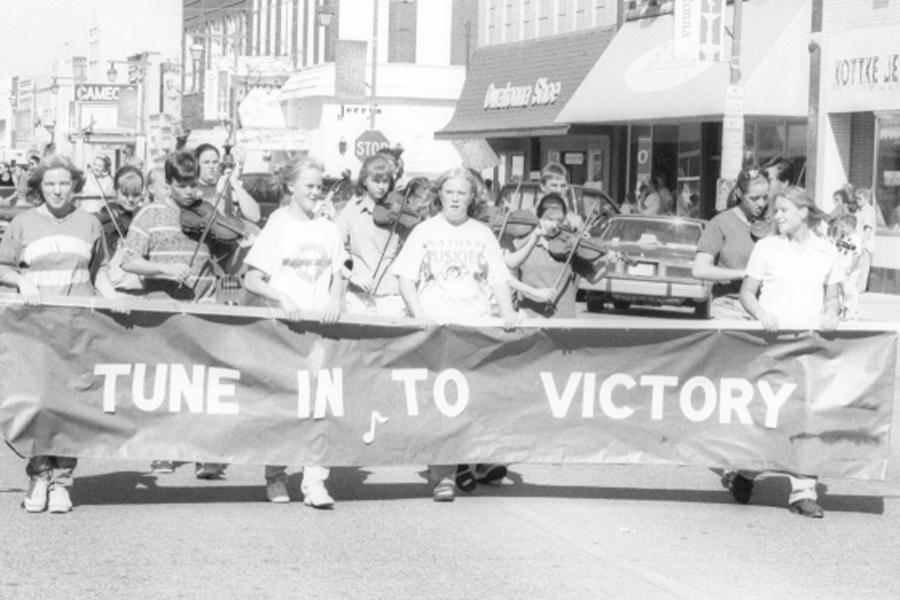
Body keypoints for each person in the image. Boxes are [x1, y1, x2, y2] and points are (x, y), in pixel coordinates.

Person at [0, 154, 126, 514]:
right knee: (39, 404)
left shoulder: (89, 223)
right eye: (50, 184)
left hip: (77, 327)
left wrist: (113, 295)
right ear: (39, 187)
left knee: (71, 406)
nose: (57, 191)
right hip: (34, 329)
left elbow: (98, 269)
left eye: (64, 184)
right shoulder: (22, 223)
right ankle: (39, 475)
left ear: (75, 186)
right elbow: (2, 265)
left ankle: (62, 482)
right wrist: (21, 279)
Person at [392, 166, 518, 502]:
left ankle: (466, 461)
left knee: (472, 401)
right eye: (449, 192)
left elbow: (498, 279)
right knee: (442, 404)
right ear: (440, 195)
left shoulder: (482, 234)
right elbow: (406, 279)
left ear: (472, 197)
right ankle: (443, 476)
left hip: (475, 327)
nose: (455, 198)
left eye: (462, 192)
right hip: (437, 329)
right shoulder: (424, 231)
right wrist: (419, 312)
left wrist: (507, 310)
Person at [242, 156, 344, 509]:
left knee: (319, 404)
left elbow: (338, 276)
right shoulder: (278, 225)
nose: (317, 193)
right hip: (283, 329)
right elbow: (251, 278)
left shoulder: (329, 229)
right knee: (283, 403)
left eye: (320, 186)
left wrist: (334, 297)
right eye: (310, 186)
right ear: (291, 188)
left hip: (319, 330)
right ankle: (275, 475)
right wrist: (281, 295)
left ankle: (315, 480)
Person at [738, 186, 841, 519]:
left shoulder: (827, 251)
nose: (777, 216)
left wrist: (830, 313)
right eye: (775, 210)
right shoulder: (766, 248)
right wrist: (761, 314)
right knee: (771, 415)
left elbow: (832, 297)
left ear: (803, 212)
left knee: (806, 416)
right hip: (772, 344)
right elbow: (747, 293)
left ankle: (803, 491)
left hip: (810, 345)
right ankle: (747, 470)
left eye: (783, 210)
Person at [120, 151, 224, 478]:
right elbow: (128, 261)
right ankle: (163, 450)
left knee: (203, 383)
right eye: (184, 186)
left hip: (203, 308)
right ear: (169, 184)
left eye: (195, 185)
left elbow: (226, 262)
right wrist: (164, 269)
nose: (192, 192)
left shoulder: (208, 214)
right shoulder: (150, 215)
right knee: (166, 383)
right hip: (163, 310)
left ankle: (204, 454)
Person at [335, 153, 407, 317]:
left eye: (386, 181)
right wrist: (351, 275)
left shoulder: (396, 208)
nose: (381, 187)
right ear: (365, 181)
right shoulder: (352, 208)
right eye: (376, 181)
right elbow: (335, 247)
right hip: (358, 294)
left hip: (391, 294)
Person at [692, 168, 769, 319]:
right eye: (754, 198)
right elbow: (699, 269)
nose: (761, 204)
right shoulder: (720, 223)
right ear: (739, 194)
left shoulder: (773, 222)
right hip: (730, 307)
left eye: (765, 197)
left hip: (766, 306)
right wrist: (744, 274)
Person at [193, 143, 261, 223]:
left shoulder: (226, 184)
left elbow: (255, 216)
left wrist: (235, 183)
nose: (211, 166)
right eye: (206, 162)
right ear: (197, 164)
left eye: (215, 162)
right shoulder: (190, 188)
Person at [831, 213, 862, 320]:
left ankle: (853, 312)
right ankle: (844, 311)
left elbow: (857, 254)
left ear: (850, 226)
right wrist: (836, 241)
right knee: (843, 291)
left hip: (851, 272)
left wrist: (850, 269)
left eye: (843, 227)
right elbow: (841, 248)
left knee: (850, 291)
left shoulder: (855, 238)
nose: (841, 229)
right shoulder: (846, 238)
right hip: (843, 269)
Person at [853, 187, 877, 292]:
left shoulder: (869, 210)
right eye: (857, 199)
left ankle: (861, 287)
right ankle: (855, 285)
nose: (858, 201)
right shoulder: (858, 210)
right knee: (857, 264)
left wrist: (864, 242)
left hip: (864, 242)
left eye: (860, 199)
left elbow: (868, 228)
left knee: (863, 265)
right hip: (856, 241)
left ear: (866, 199)